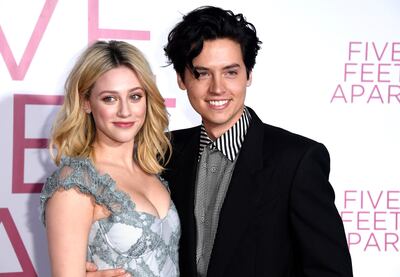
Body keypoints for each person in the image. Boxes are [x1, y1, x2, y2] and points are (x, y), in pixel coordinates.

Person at [161, 5, 353, 277]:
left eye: (231, 72)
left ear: (249, 75)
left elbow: (331, 271)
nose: (217, 88)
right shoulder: (162, 153)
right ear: (181, 79)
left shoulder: (297, 160)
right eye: (202, 73)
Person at [40, 40, 180, 277]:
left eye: (135, 96)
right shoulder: (77, 183)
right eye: (110, 99)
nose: (125, 111)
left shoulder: (152, 169)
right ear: (86, 102)